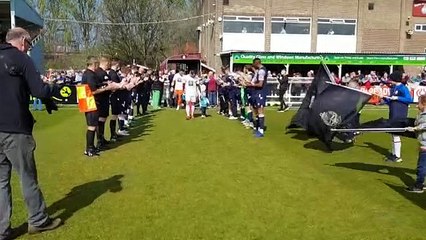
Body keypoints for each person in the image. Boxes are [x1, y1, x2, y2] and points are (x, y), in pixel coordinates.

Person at [0, 27, 62, 239]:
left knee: (0, 182)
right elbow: (39, 90)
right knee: (27, 176)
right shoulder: (21, 59)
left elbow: (18, 87)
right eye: (29, 44)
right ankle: (38, 220)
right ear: (23, 41)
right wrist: (53, 89)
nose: (29, 49)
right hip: (15, 129)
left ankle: (2, 230)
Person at [81, 56, 113, 156]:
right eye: (96, 65)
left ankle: (91, 147)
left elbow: (96, 85)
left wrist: (103, 84)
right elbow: (93, 90)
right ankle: (89, 148)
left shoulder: (89, 74)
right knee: (92, 126)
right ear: (93, 64)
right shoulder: (90, 75)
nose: (97, 67)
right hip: (90, 102)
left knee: (93, 125)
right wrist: (106, 88)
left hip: (90, 102)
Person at [382, 71, 413, 163]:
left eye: (391, 79)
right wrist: (385, 99)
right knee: (393, 134)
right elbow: (391, 101)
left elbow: (409, 99)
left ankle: (397, 156)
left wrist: (397, 98)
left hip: (400, 113)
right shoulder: (394, 88)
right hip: (393, 112)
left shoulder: (403, 88)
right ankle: (394, 154)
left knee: (396, 134)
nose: (390, 81)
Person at [406, 95, 426, 193]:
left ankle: (419, 185)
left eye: (419, 103)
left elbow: (424, 125)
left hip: (425, 145)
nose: (417, 105)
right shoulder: (421, 114)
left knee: (421, 167)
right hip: (422, 143)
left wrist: (417, 128)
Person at [95, 56, 113, 150]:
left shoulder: (102, 72)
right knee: (101, 119)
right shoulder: (99, 73)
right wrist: (108, 86)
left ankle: (101, 138)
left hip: (104, 98)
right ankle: (99, 141)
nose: (109, 65)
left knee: (103, 118)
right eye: (108, 63)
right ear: (105, 63)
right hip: (101, 99)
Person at [248, 58, 267, 138]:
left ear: (256, 63)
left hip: (260, 92)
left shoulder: (262, 71)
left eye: (254, 64)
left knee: (260, 110)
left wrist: (251, 85)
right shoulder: (258, 71)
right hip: (257, 92)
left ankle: (261, 130)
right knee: (256, 109)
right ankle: (258, 128)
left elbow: (260, 84)